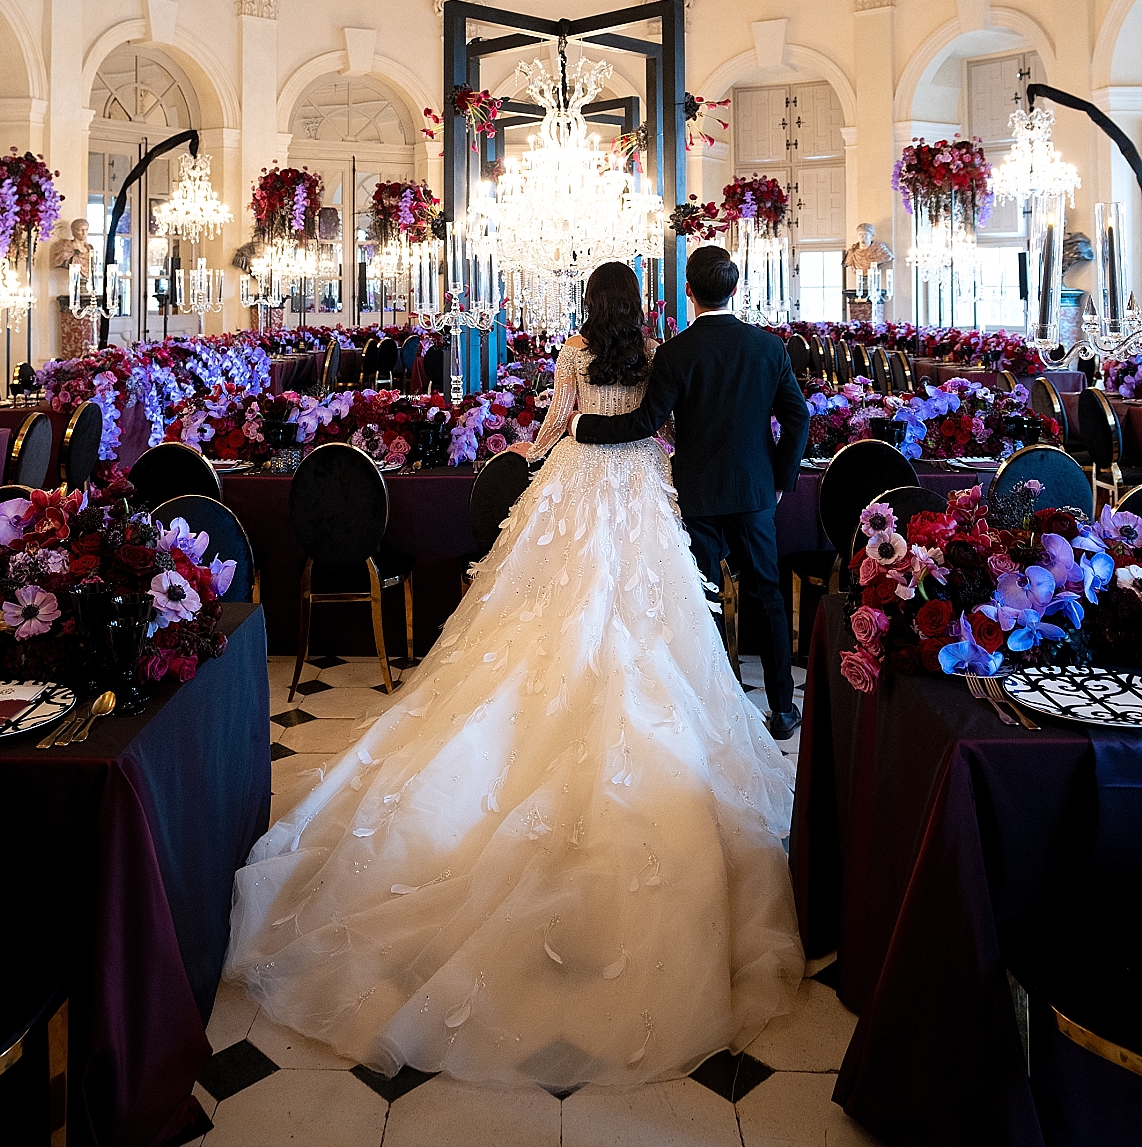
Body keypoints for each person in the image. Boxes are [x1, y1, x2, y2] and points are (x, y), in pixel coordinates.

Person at [226, 259, 803, 1088]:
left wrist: (531, 455)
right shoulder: (653, 351)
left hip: (580, 484)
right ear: (636, 308)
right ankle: (737, 707)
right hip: (641, 489)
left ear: (585, 305)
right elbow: (659, 425)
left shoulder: (577, 351)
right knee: (658, 620)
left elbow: (559, 425)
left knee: (546, 613)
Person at [568, 244, 809, 740]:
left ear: (689, 292)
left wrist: (581, 426)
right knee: (768, 594)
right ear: (735, 289)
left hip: (696, 493)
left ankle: (724, 693)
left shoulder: (676, 352)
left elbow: (646, 423)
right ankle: (783, 708)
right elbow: (798, 417)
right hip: (754, 490)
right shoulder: (768, 348)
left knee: (705, 597)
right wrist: (781, 480)